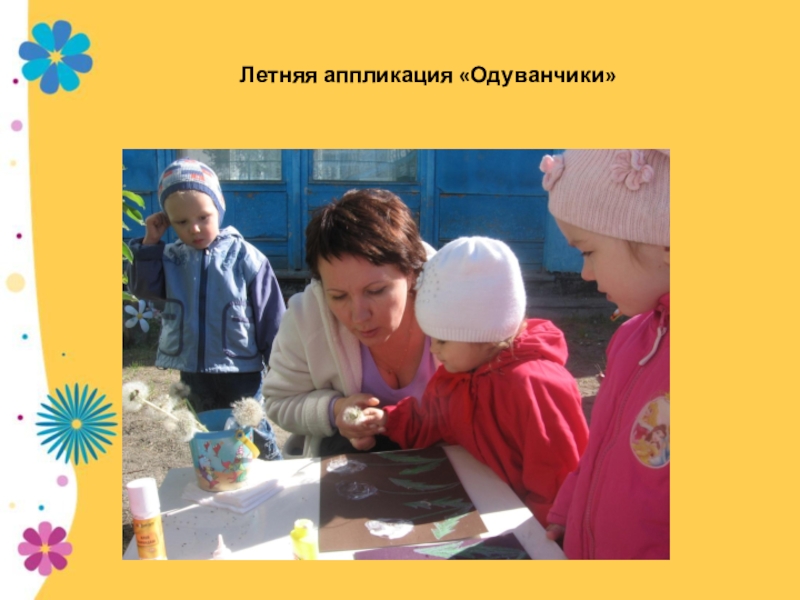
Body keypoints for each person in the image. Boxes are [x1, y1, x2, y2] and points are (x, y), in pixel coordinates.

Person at [345, 236, 589, 527]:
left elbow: (558, 473)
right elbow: (430, 419)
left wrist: (541, 532)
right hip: (482, 506)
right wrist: (388, 419)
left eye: (442, 340)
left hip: (527, 524)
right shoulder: (458, 376)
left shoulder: (535, 385)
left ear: (484, 333)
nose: (434, 350)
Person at [540, 149, 670, 559]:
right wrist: (569, 509)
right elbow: (602, 447)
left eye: (588, 251)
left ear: (666, 241)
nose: (585, 273)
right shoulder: (630, 339)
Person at [128, 158, 285, 460]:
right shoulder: (170, 259)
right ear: (168, 221)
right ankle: (219, 477)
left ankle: (269, 471)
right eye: (181, 222)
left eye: (203, 216)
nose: (195, 228)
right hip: (193, 371)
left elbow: (271, 318)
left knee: (252, 429)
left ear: (219, 208)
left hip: (241, 369)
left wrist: (279, 366)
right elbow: (143, 289)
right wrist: (150, 243)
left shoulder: (246, 258)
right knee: (205, 432)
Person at [262, 189, 437, 457]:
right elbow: (279, 401)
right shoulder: (307, 315)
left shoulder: (457, 303)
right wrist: (335, 410)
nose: (359, 316)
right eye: (338, 296)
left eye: (376, 291)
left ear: (412, 273)